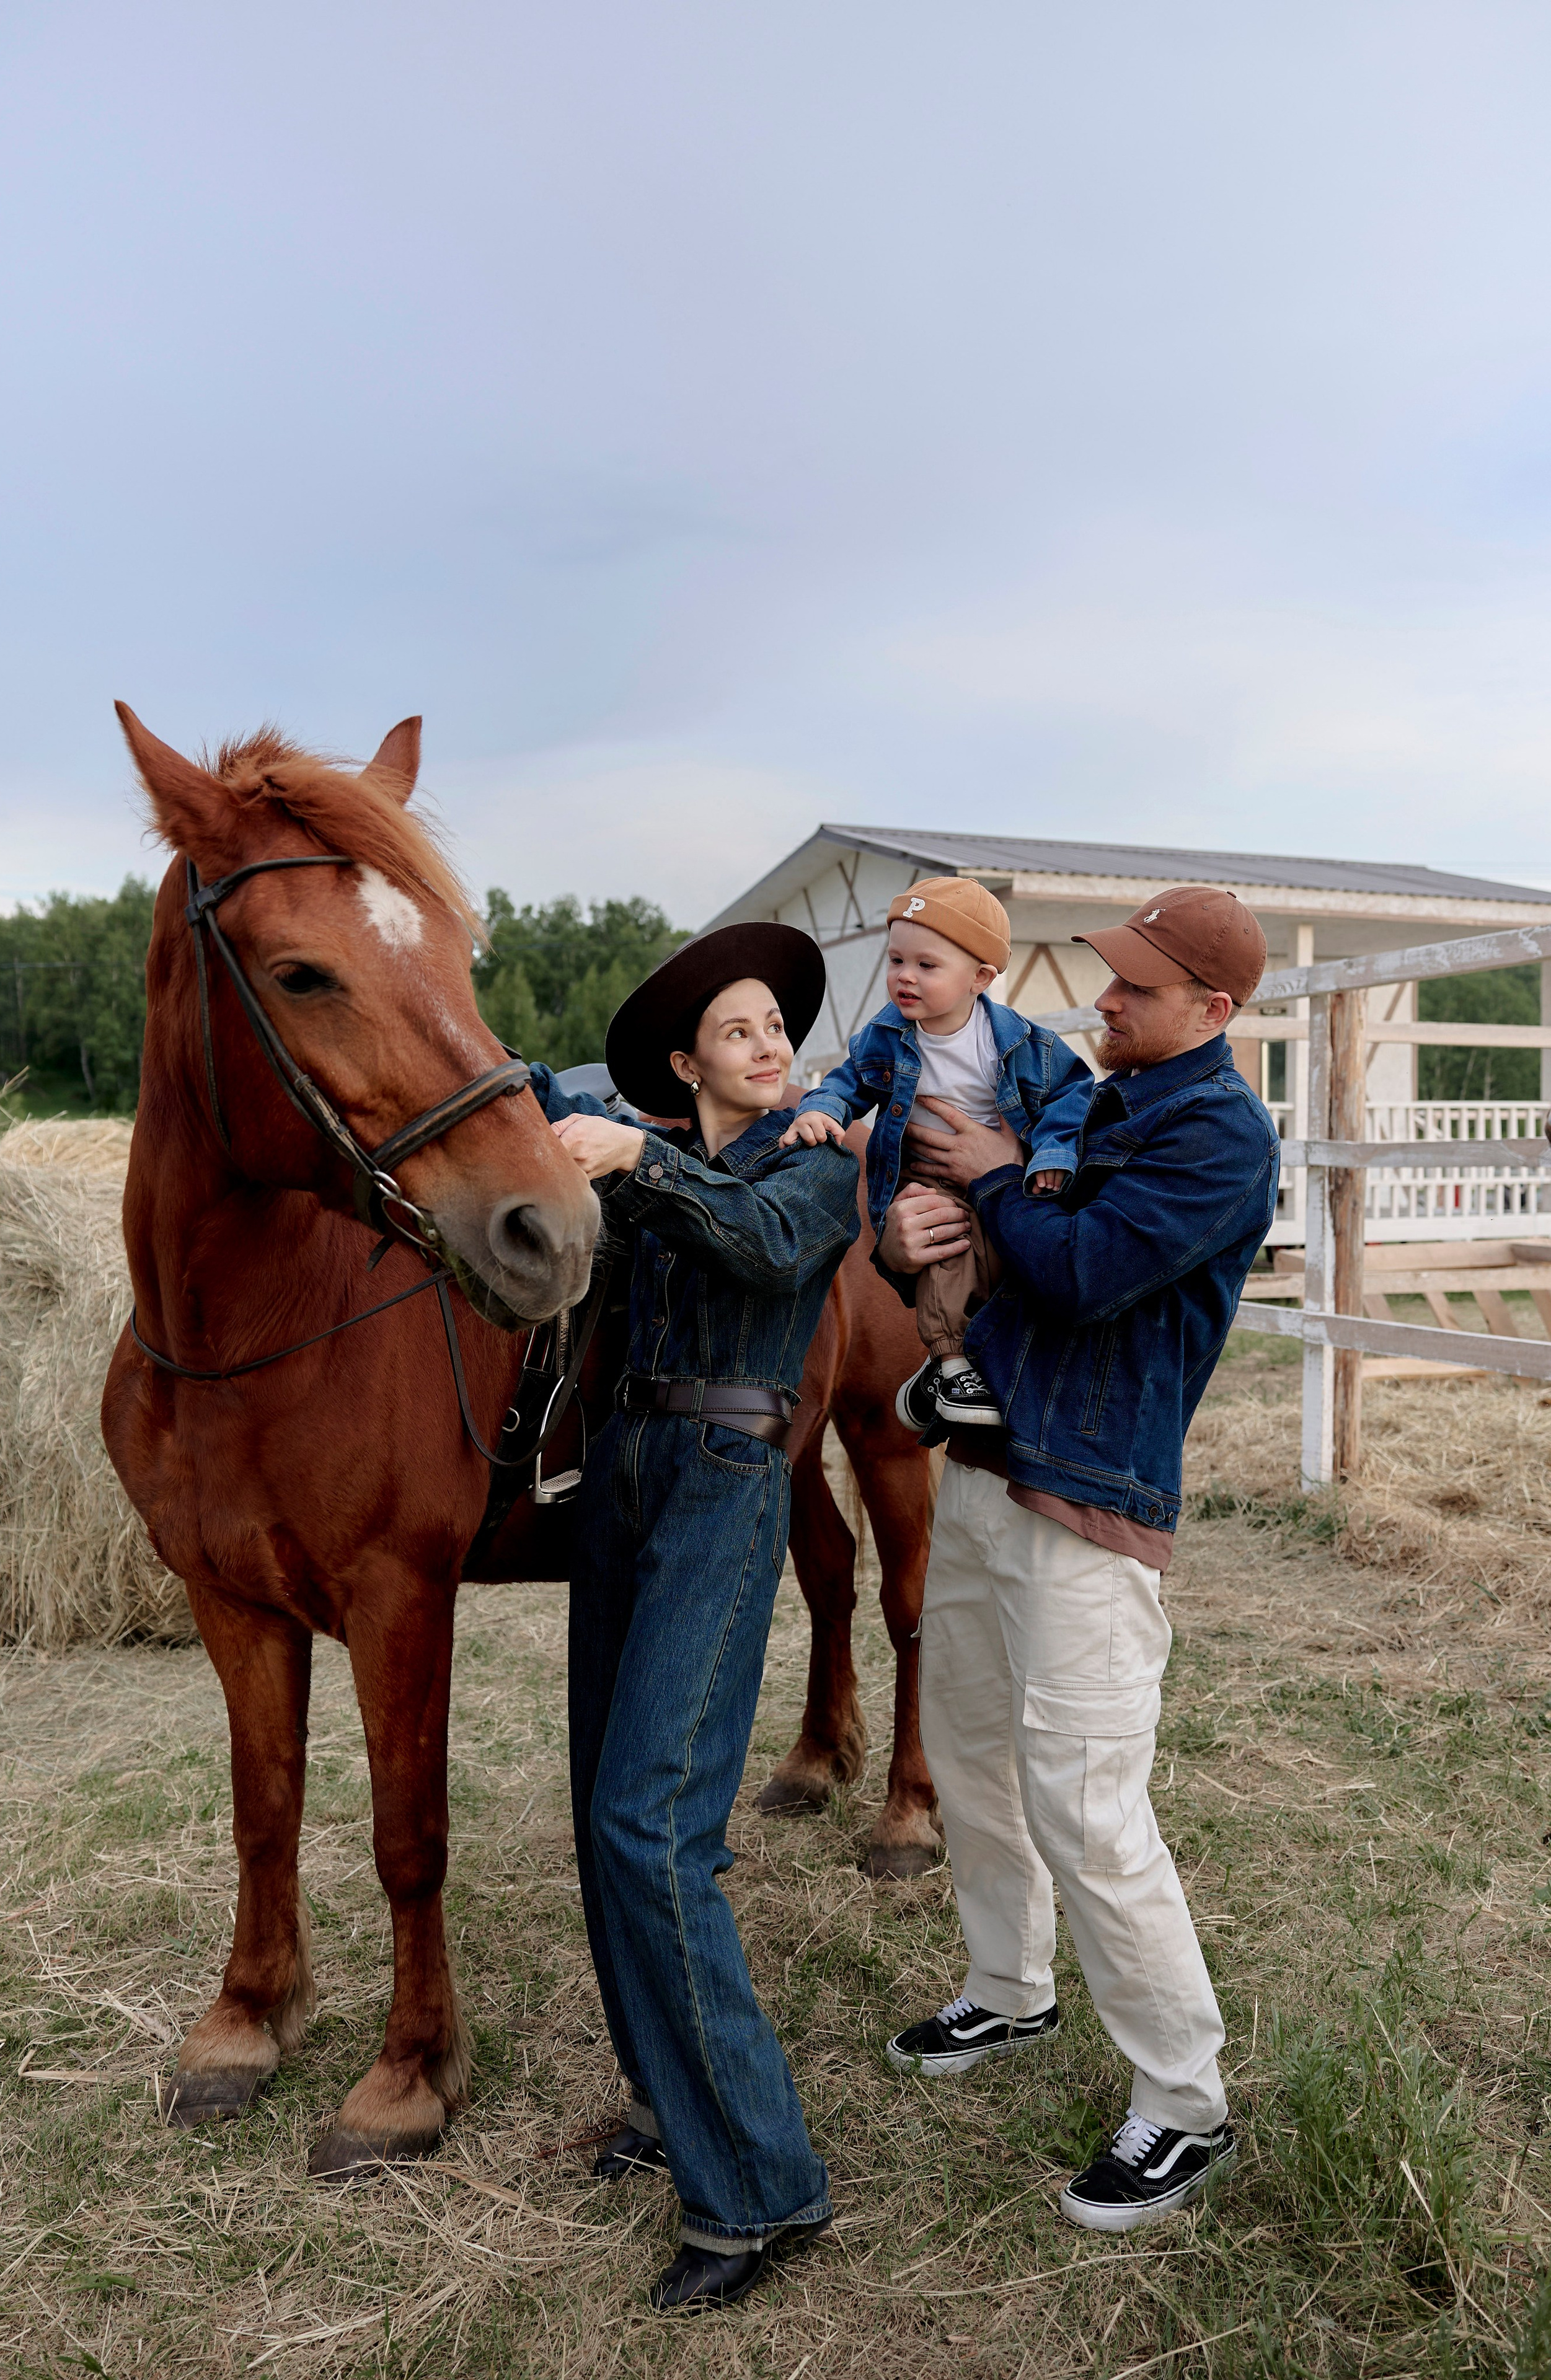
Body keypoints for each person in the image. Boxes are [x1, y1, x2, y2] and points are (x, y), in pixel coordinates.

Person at [876, 886, 1279, 2234]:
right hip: (992, 1476)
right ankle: (1008, 1987)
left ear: (1213, 1013)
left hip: (1090, 1509)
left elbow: (1081, 1271)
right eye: (1107, 979)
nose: (1101, 1001)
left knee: (1089, 1809)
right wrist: (909, 1248)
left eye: (1135, 989)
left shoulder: (1218, 1138)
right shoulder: (1098, 1105)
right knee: (970, 1750)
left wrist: (988, 1174)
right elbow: (996, 1270)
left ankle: (1182, 2104)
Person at [537, 922, 861, 2316]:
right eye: (737, 1030)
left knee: (651, 1823)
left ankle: (759, 2183)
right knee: (596, 1814)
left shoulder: (813, 1168)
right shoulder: (630, 1152)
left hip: (731, 1477)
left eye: (776, 1027)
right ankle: (671, 2105)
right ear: (685, 1063)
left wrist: (641, 1161)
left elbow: (772, 1256)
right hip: (619, 1471)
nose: (769, 1043)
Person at [780, 876, 1092, 1430]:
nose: (904, 976)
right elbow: (849, 1081)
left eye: (927, 966)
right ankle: (950, 1361)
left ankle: (959, 1368)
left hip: (1005, 1171)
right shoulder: (886, 1036)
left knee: (1007, 1261)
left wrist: (1052, 1154)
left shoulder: (1022, 1043)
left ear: (980, 978)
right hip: (926, 1174)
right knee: (945, 1243)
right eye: (896, 959)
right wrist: (824, 1109)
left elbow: (1072, 1094)